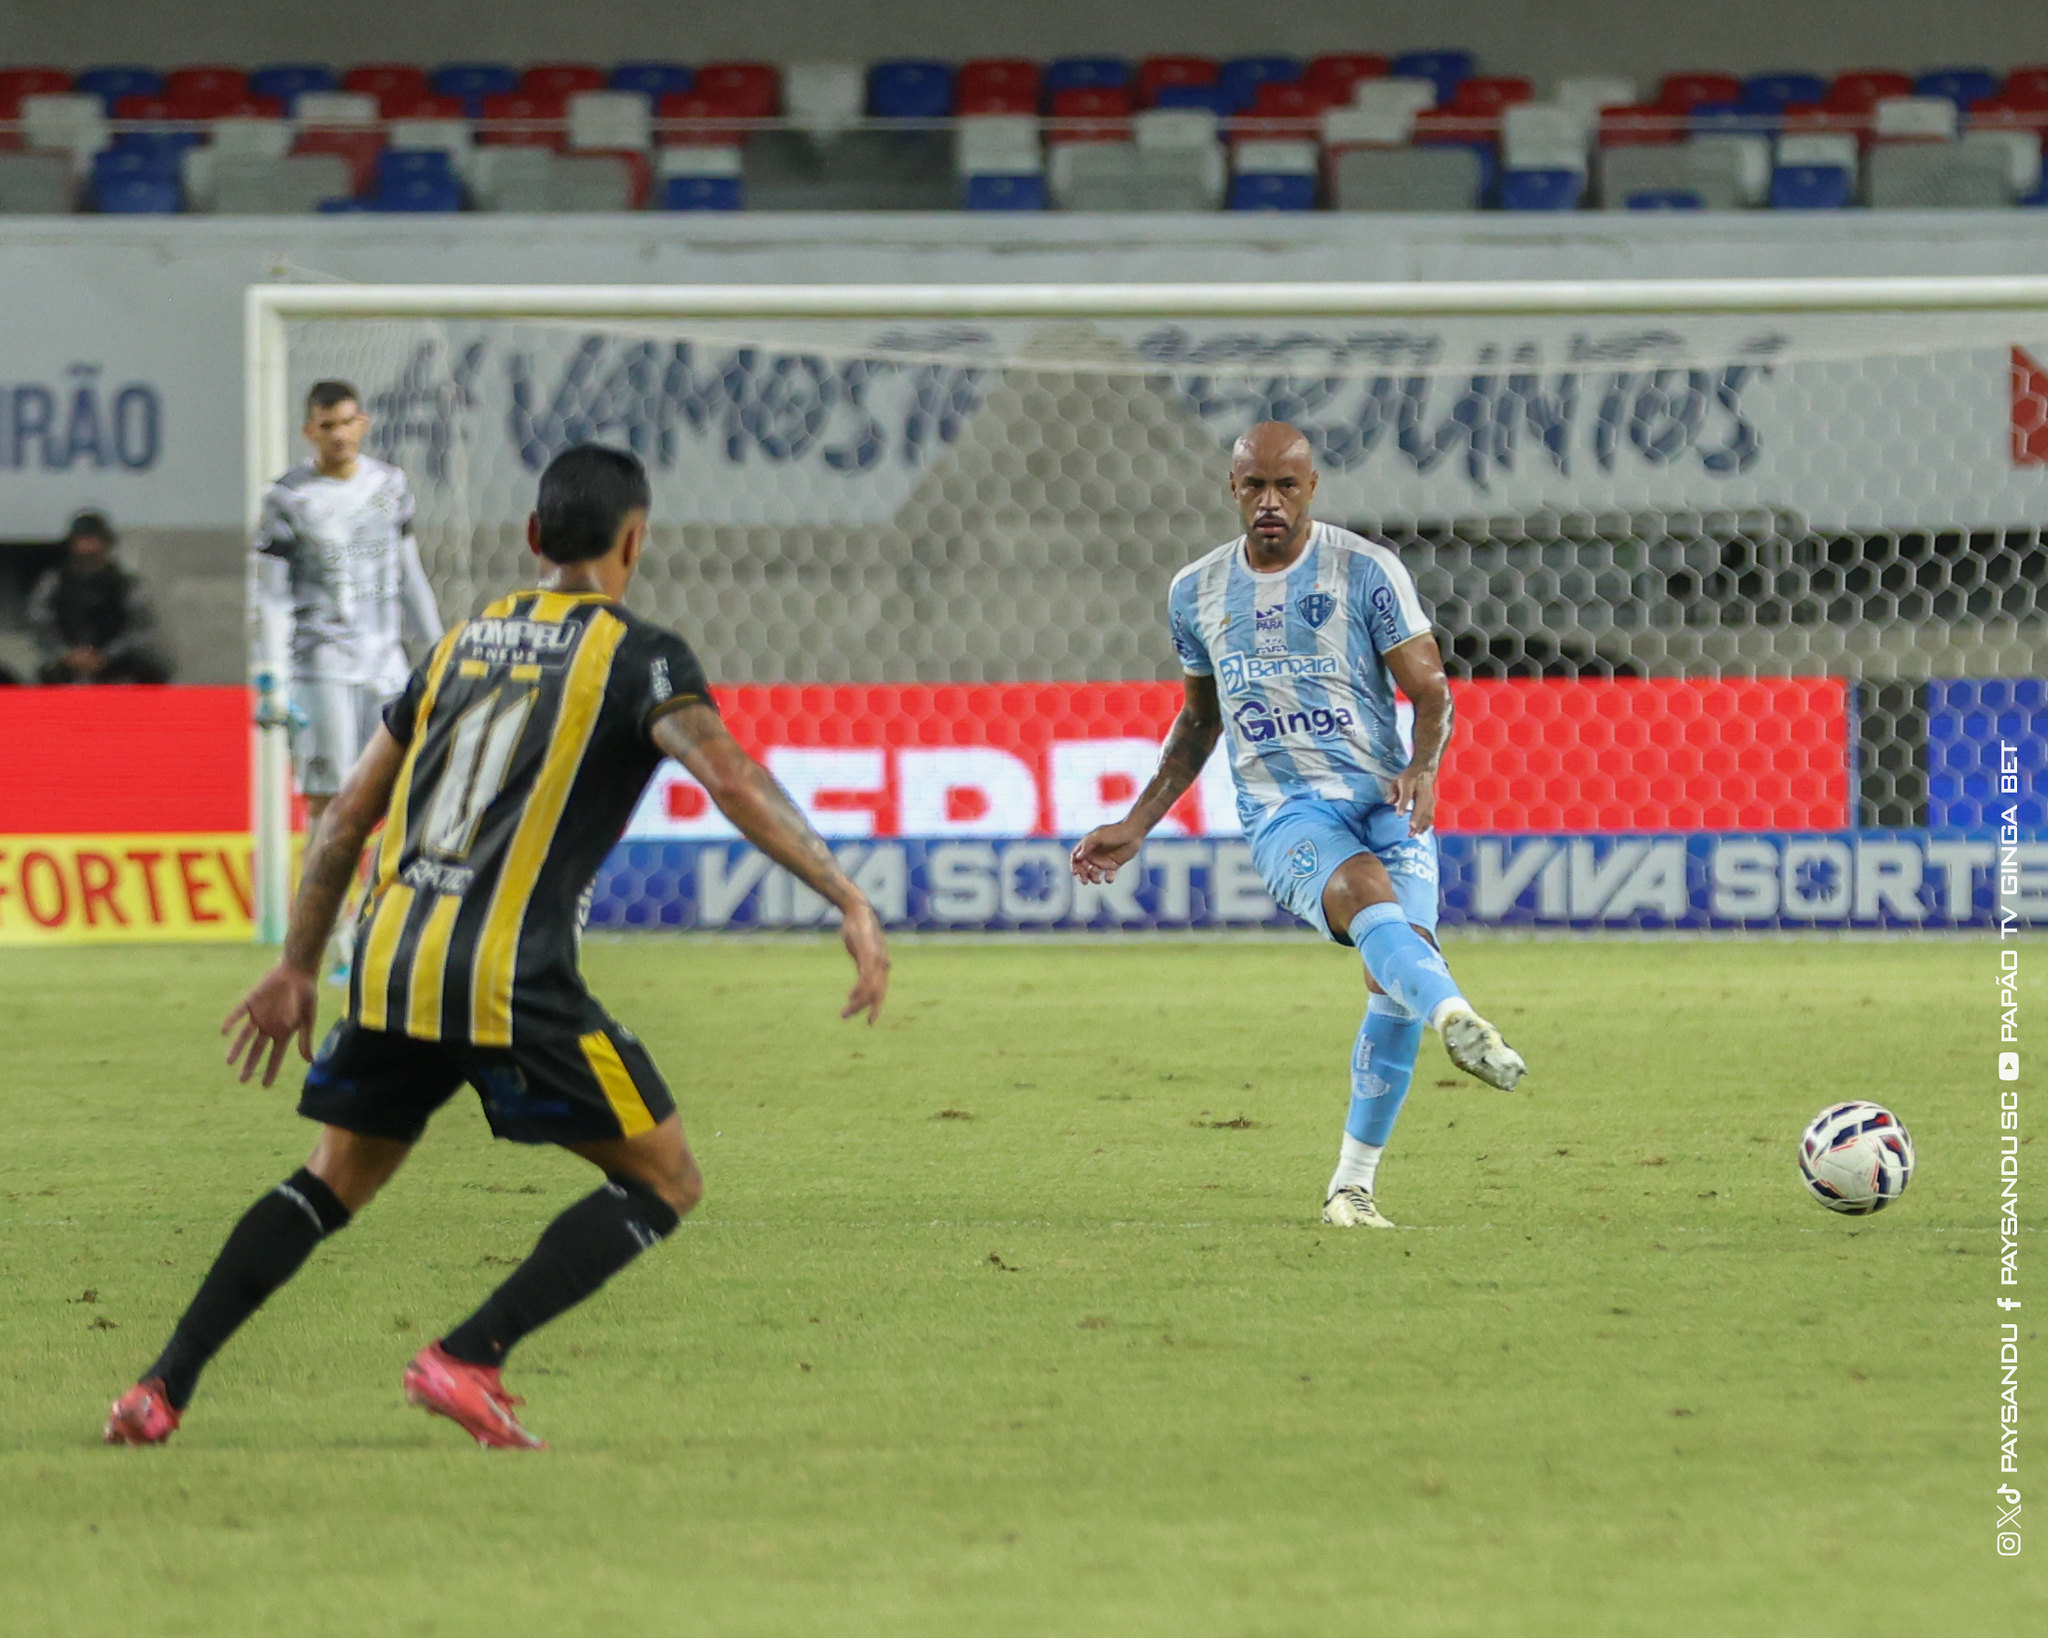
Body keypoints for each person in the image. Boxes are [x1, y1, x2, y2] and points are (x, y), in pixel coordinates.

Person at [105, 443, 892, 1450]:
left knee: (331, 1177)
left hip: (388, 957)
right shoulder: (640, 655)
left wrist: (300, 965)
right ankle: (468, 1356)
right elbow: (730, 778)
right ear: (635, 539)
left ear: (534, 538)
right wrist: (844, 895)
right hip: (506, 972)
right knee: (664, 1178)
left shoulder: (462, 644)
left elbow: (348, 814)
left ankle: (159, 1389)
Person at [1071, 421, 1526, 1231]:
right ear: (1233, 489)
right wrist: (1139, 823)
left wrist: (1423, 769)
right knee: (1366, 900)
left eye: (1287, 485)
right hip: (1285, 809)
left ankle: (1351, 1189)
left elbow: (1431, 693)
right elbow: (1198, 722)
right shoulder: (1195, 593)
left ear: (1312, 486)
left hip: (1386, 798)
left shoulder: (1365, 572)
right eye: (1255, 486)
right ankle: (1457, 1016)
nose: (1271, 501)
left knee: (1393, 984)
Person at [252, 380, 444, 971]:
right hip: (322, 668)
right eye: (325, 426)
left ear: (362, 423)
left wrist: (439, 651)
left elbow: (408, 574)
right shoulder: (287, 497)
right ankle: (326, 938)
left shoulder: (390, 486)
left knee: (395, 802)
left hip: (385, 667)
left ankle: (374, 928)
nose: (338, 434)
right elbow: (273, 596)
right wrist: (271, 675)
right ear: (309, 431)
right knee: (329, 804)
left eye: (346, 422)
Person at [29, 511, 172, 684]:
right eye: (83, 540)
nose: (88, 546)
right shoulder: (54, 582)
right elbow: (39, 620)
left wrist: (106, 656)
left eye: (94, 539)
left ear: (106, 543)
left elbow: (140, 627)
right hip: (67, 664)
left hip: (118, 664)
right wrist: (67, 654)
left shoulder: (126, 584)